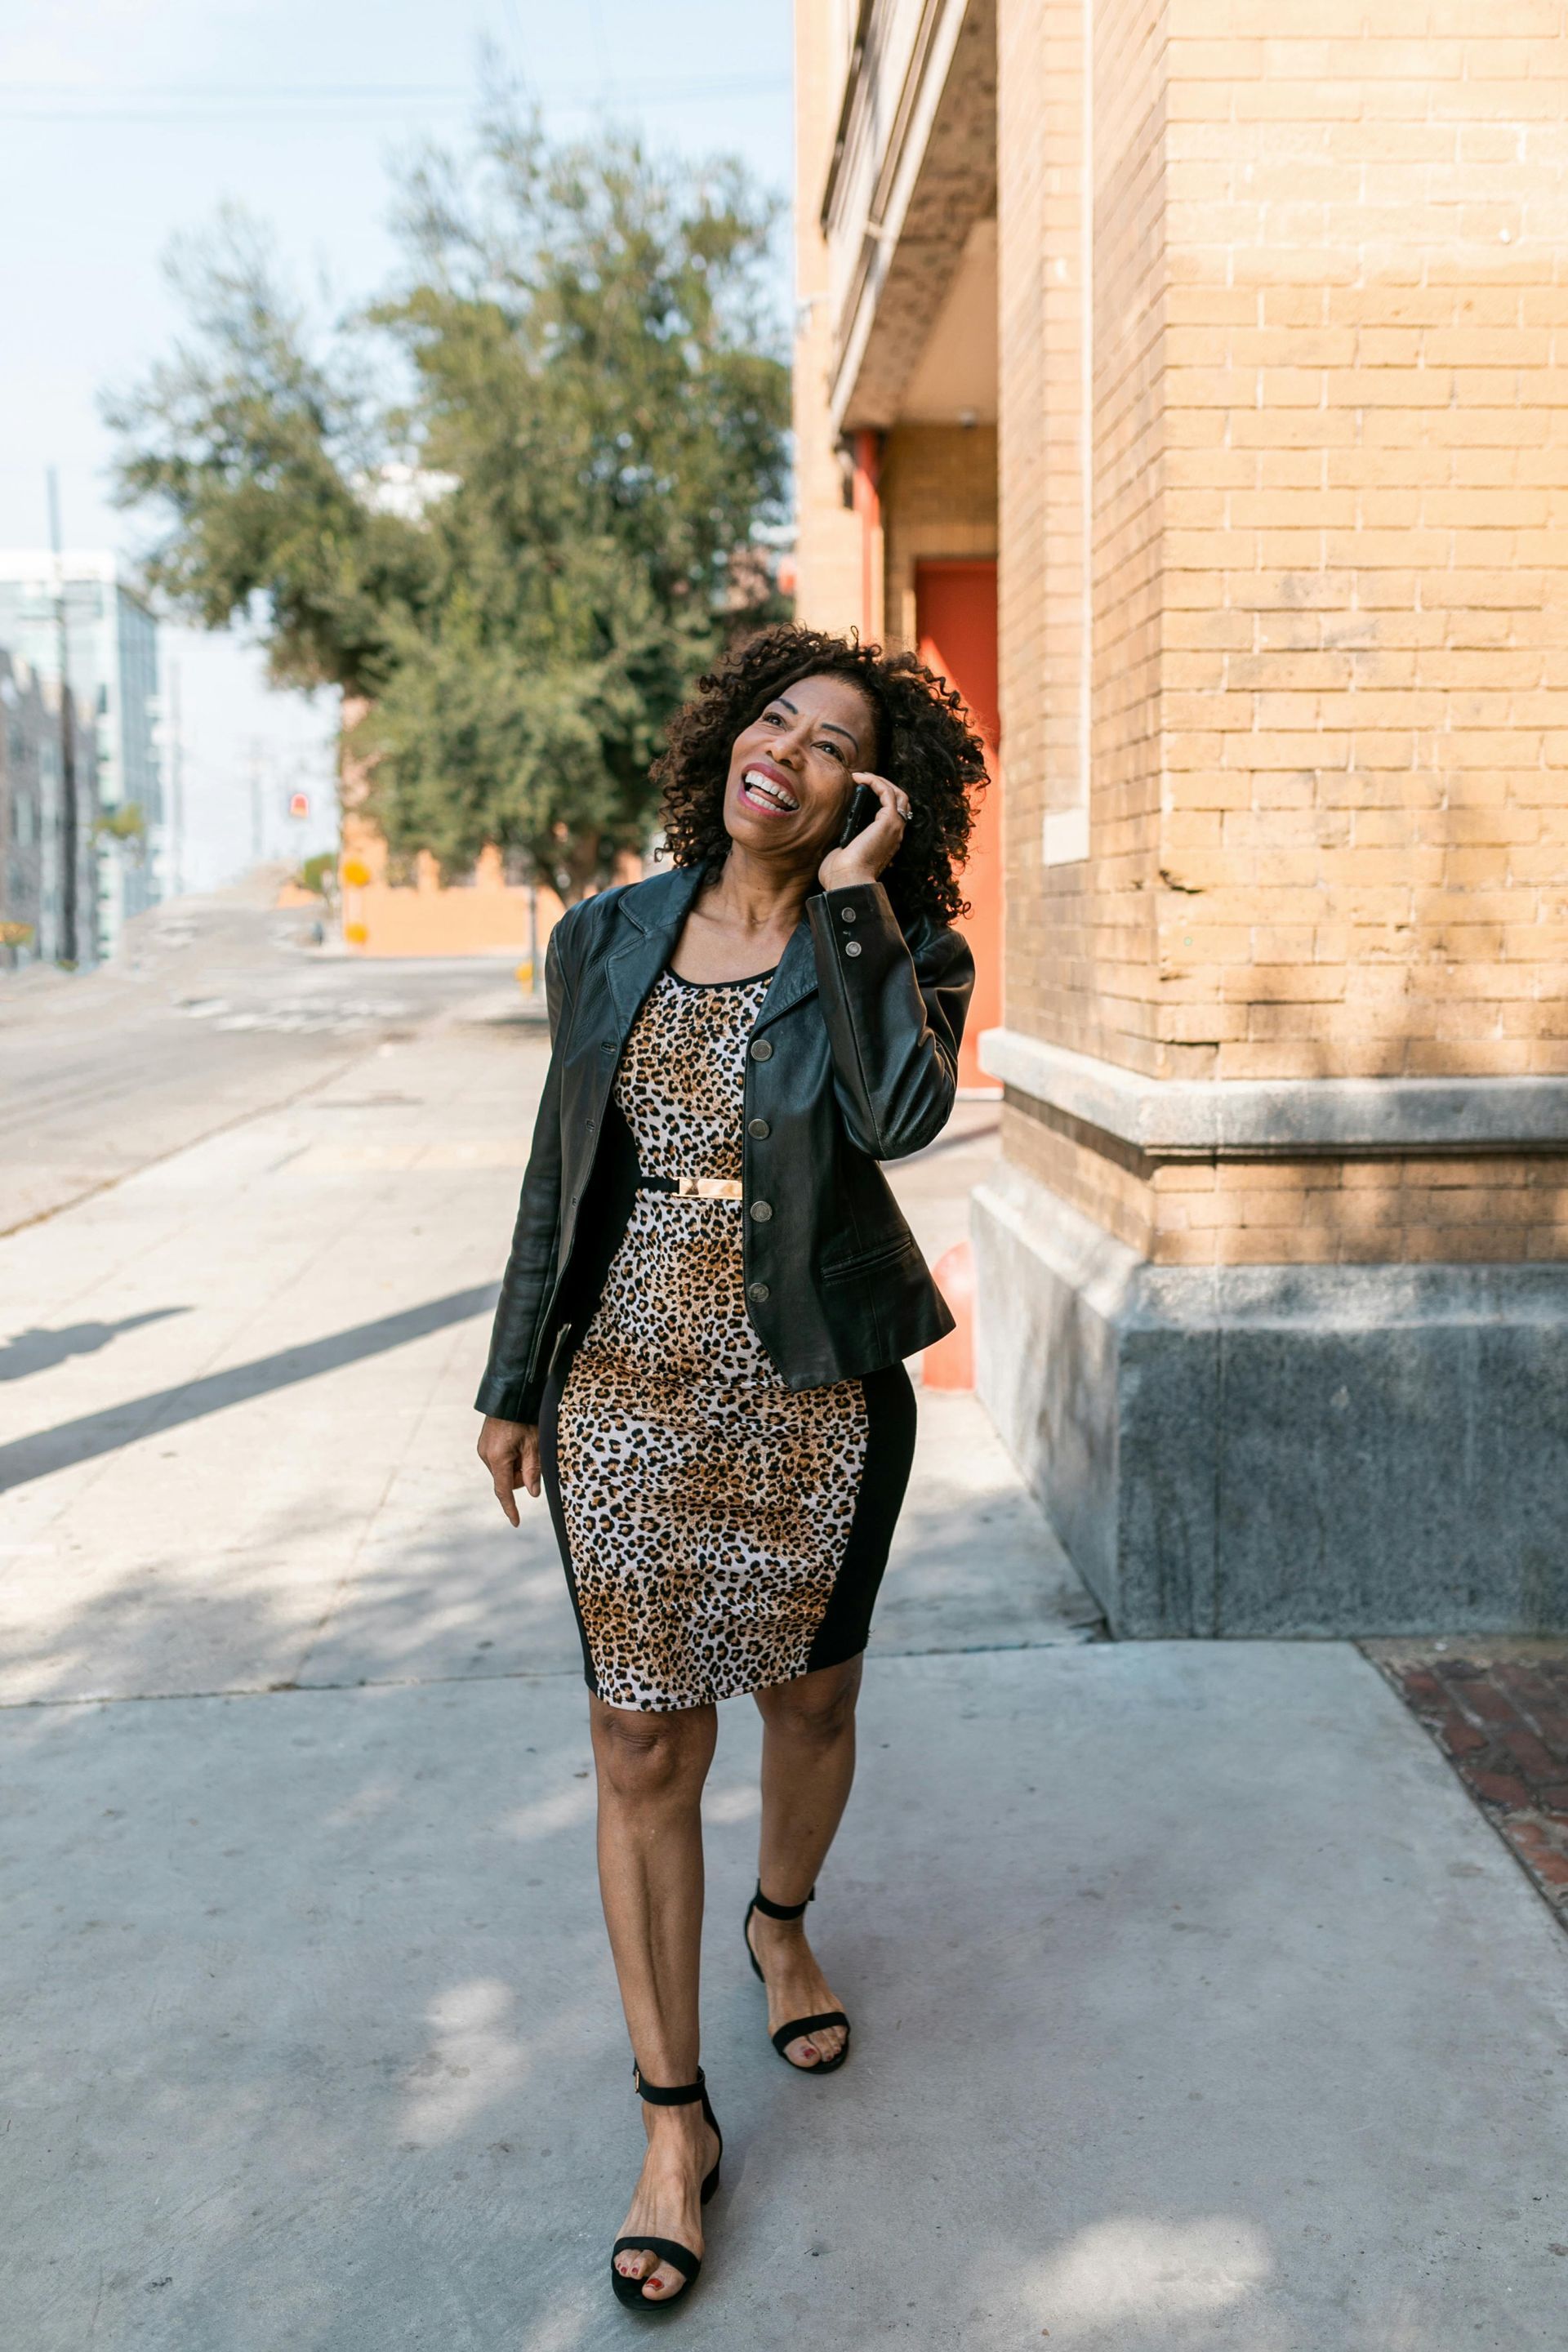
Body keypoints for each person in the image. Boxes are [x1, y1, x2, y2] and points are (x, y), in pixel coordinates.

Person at [474, 623, 987, 2312]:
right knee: (641, 1737)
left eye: (835, 742)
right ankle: (674, 2122)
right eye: (776, 718)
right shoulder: (608, 934)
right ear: (726, 739)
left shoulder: (903, 944)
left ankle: (783, 1918)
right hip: (620, 1375)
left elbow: (901, 1120)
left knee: (811, 1707)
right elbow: (562, 1166)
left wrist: (855, 900)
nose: (791, 749)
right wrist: (510, 1374)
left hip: (814, 1384)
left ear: (871, 793)